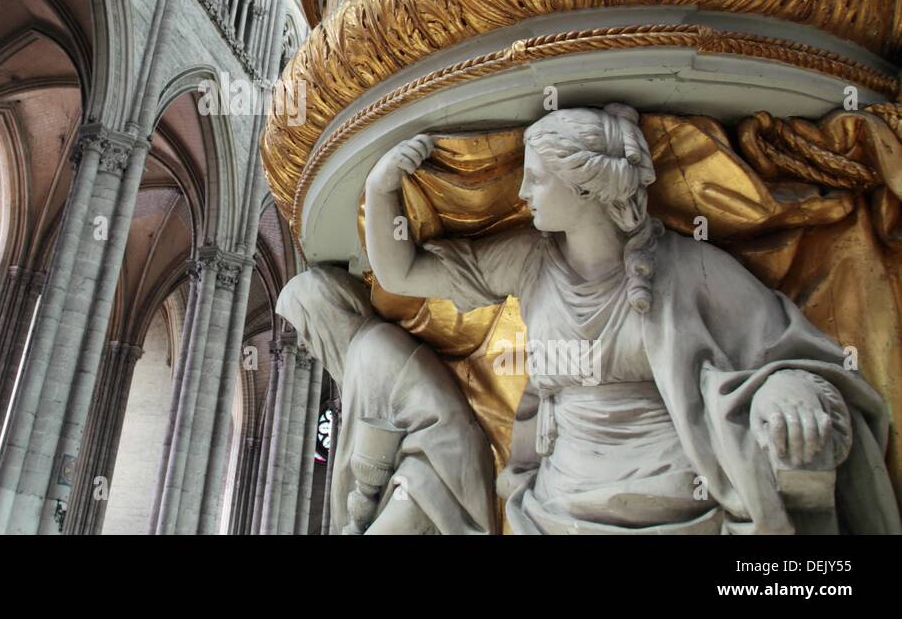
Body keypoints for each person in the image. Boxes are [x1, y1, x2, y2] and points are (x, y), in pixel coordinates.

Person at [364, 104, 901, 533]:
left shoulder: (687, 266)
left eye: (536, 179)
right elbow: (404, 275)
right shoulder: (528, 260)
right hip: (555, 503)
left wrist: (787, 388)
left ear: (584, 187)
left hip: (678, 499)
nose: (523, 193)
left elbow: (790, 355)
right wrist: (381, 189)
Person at [275, 265, 496, 535]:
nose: (303, 344)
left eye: (305, 329)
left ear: (326, 316)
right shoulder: (361, 355)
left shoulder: (375, 348)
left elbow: (446, 438)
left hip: (436, 485)